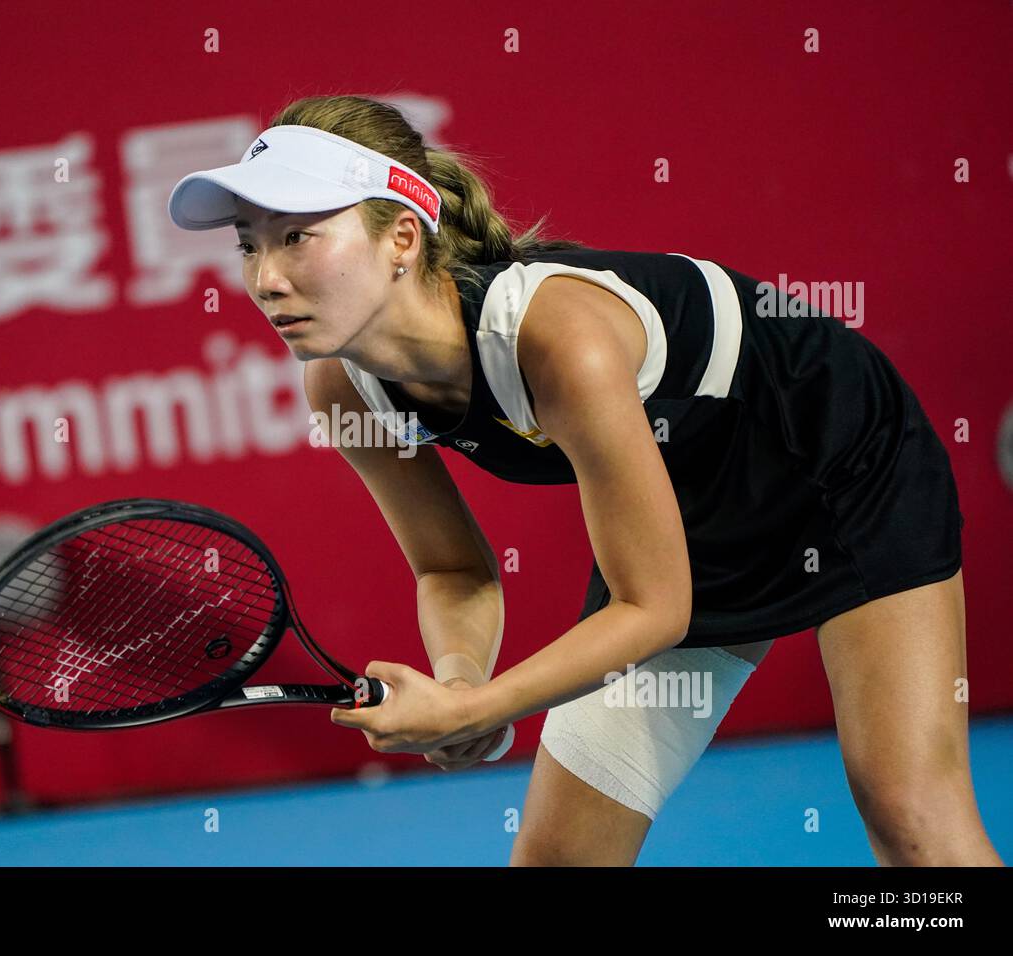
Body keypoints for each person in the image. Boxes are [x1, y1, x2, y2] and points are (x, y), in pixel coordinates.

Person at [167, 94, 1002, 866]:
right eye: (250, 244)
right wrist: (462, 675)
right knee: (560, 860)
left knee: (911, 820)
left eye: (298, 236)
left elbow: (656, 609)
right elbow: (452, 570)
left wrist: (477, 712)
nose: (265, 279)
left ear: (402, 238)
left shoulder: (559, 338)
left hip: (840, 465)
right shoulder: (343, 385)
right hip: (681, 512)